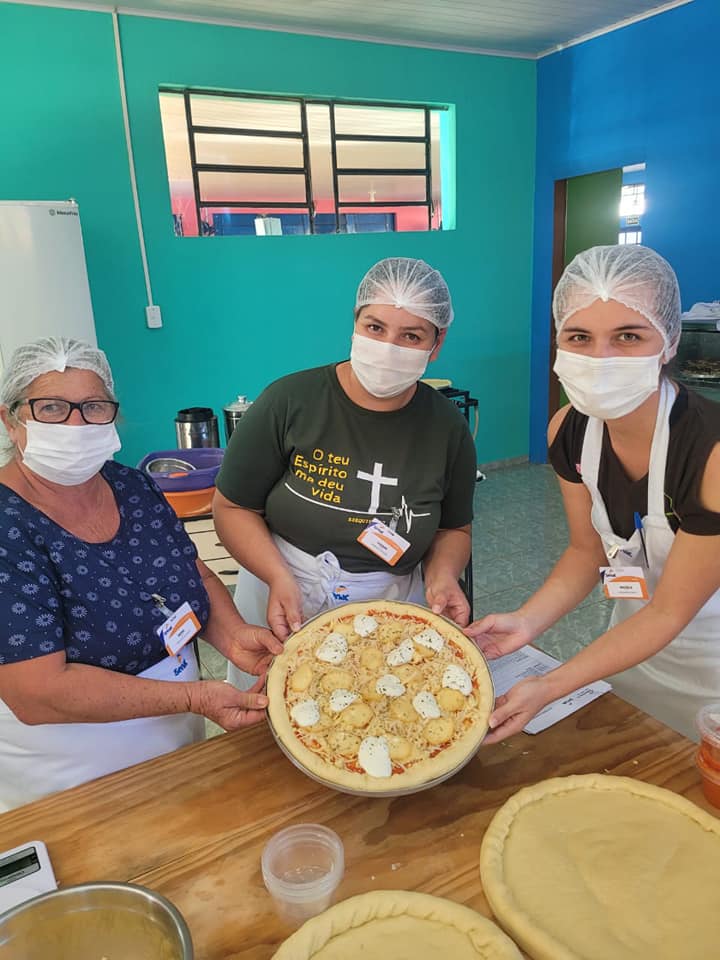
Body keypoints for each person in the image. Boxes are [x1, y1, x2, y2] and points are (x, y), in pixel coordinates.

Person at [0, 337, 282, 810]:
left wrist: (233, 638)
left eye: (93, 407)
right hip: (72, 770)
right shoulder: (8, 526)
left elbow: (191, 575)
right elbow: (39, 694)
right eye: (51, 408)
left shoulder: (131, 485)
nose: (75, 423)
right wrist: (194, 699)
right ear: (10, 419)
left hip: (175, 738)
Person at [467, 245, 720, 743]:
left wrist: (552, 685)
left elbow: (671, 610)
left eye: (628, 336)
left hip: (712, 664)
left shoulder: (710, 453)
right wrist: (525, 622)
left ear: (668, 343)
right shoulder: (569, 430)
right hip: (629, 648)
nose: (599, 358)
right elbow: (586, 553)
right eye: (579, 337)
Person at [214, 257, 477, 688]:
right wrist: (277, 577)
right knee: (271, 714)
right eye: (375, 328)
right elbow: (231, 506)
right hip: (282, 591)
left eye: (411, 335)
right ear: (355, 322)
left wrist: (444, 575)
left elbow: (454, 529)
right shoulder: (289, 401)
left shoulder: (447, 428)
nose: (389, 347)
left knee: (379, 716)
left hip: (391, 604)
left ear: (437, 343)